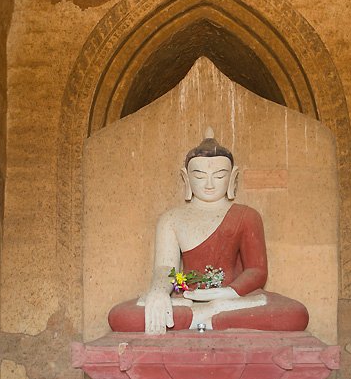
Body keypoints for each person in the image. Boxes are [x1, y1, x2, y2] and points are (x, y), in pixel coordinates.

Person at [107, 128, 309, 334]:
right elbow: (165, 268)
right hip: (187, 297)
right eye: (200, 176)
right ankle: (211, 317)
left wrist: (226, 294)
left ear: (232, 177)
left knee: (295, 314)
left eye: (219, 176)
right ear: (186, 178)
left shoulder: (247, 215)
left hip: (233, 300)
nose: (210, 184)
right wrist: (158, 293)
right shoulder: (171, 219)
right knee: (121, 315)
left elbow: (256, 271)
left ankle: (200, 318)